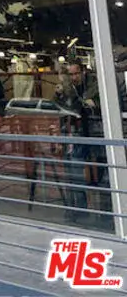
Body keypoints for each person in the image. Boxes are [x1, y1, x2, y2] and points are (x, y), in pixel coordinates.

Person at [55, 59, 101, 223]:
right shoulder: (66, 89)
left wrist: (67, 88)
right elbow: (61, 111)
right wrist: (59, 94)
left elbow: (82, 106)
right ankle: (78, 210)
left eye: (76, 73)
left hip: (94, 133)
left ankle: (105, 211)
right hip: (74, 135)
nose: (74, 77)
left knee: (101, 174)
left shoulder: (93, 84)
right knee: (74, 173)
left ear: (83, 72)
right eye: (71, 74)